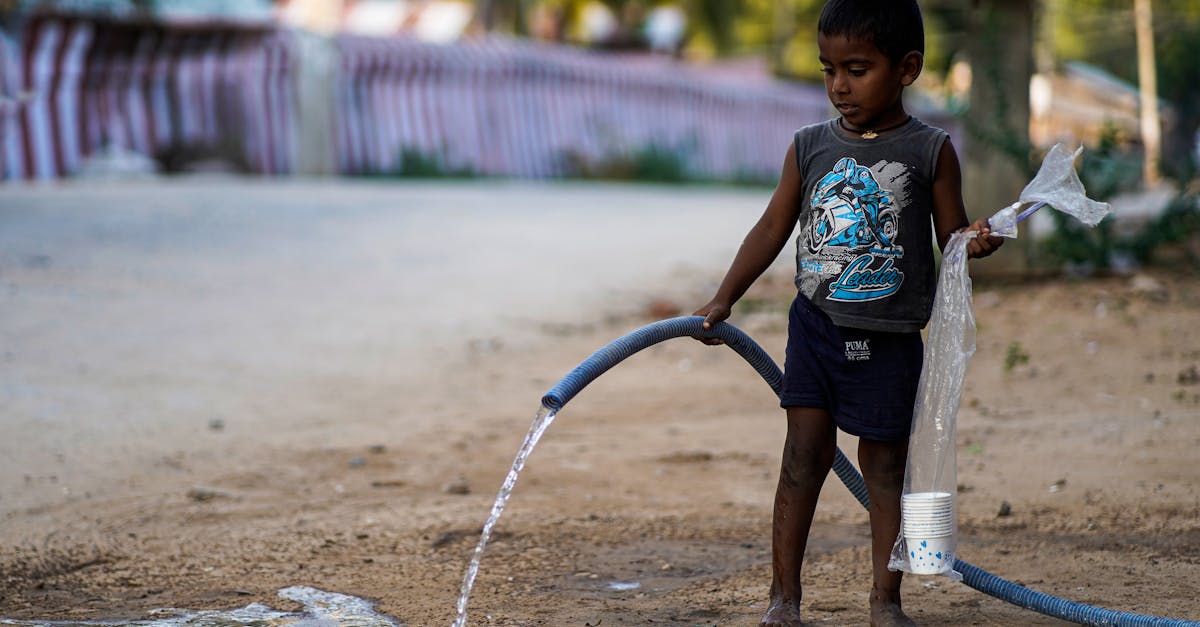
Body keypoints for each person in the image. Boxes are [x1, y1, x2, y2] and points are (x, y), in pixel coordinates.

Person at [691, 1, 1004, 626]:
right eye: (828, 69)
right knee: (802, 455)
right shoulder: (809, 147)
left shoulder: (930, 150)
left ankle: (885, 603)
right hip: (817, 329)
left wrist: (973, 241)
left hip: (890, 339)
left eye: (857, 69)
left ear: (907, 68)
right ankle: (784, 600)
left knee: (884, 466)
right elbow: (774, 226)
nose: (839, 85)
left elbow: (950, 240)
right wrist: (724, 295)